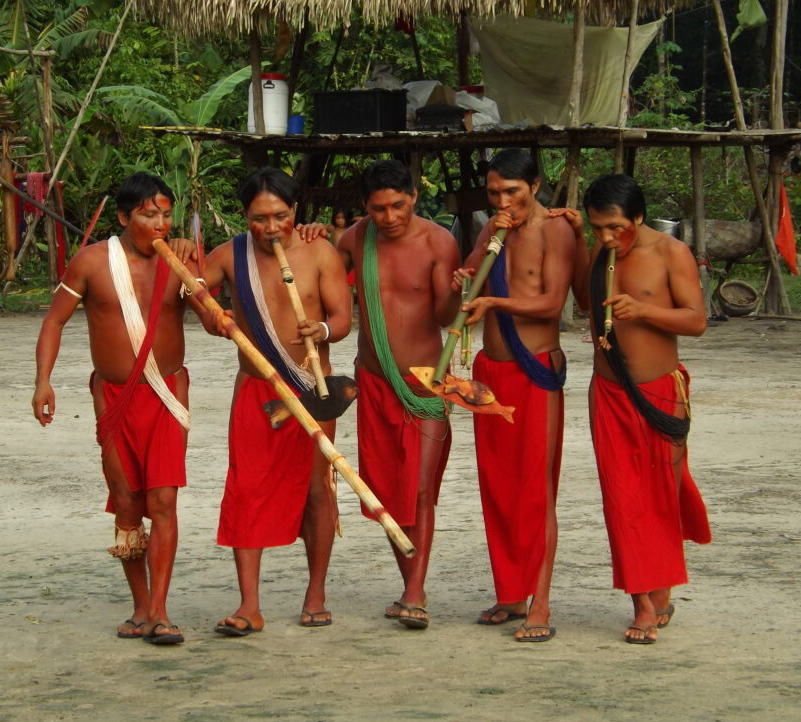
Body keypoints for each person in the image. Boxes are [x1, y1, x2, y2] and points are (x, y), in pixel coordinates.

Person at [32, 171, 202, 645]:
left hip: (167, 393)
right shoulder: (91, 262)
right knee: (127, 501)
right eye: (149, 215)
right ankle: (141, 606)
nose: (160, 224)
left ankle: (161, 611)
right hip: (113, 397)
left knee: (163, 500)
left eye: (166, 215)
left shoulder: (181, 260)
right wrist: (43, 381)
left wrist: (198, 283)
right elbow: (54, 322)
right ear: (125, 218)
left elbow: (212, 320)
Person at [193, 167, 352, 636]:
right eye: (259, 218)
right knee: (247, 490)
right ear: (245, 216)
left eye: (280, 216)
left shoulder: (320, 252)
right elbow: (193, 293)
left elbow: (343, 319)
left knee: (317, 489)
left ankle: (316, 592)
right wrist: (208, 313)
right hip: (256, 388)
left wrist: (322, 330)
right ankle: (249, 605)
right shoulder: (229, 255)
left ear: (295, 211)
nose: (271, 228)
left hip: (312, 387)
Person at [555, 173, 710, 645]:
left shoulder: (670, 253)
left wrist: (643, 311)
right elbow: (586, 305)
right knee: (622, 499)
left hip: (659, 393)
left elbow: (696, 321)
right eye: (597, 228)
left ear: (638, 218)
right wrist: (575, 238)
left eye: (615, 228)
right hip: (609, 392)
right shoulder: (600, 254)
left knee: (660, 495)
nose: (606, 238)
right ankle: (642, 605)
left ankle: (660, 592)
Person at [452, 149, 576, 642]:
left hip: (535, 369)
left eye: (513, 192)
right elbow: (469, 281)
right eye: (494, 193)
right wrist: (465, 280)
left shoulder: (556, 230)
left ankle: (540, 603)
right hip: (491, 372)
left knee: (536, 490)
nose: (503, 202)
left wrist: (493, 301)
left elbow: (552, 302)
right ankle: (511, 594)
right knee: (498, 486)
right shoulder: (491, 228)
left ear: (536, 186)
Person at [337, 159, 460, 630]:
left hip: (424, 383)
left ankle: (414, 591)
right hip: (373, 381)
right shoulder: (355, 239)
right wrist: (309, 235)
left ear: (414, 196)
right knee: (387, 489)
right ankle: (412, 585)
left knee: (421, 488)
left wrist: (459, 292)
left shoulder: (438, 242)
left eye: (398, 205)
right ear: (365, 208)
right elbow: (320, 275)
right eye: (379, 209)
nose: (389, 217)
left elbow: (446, 316)